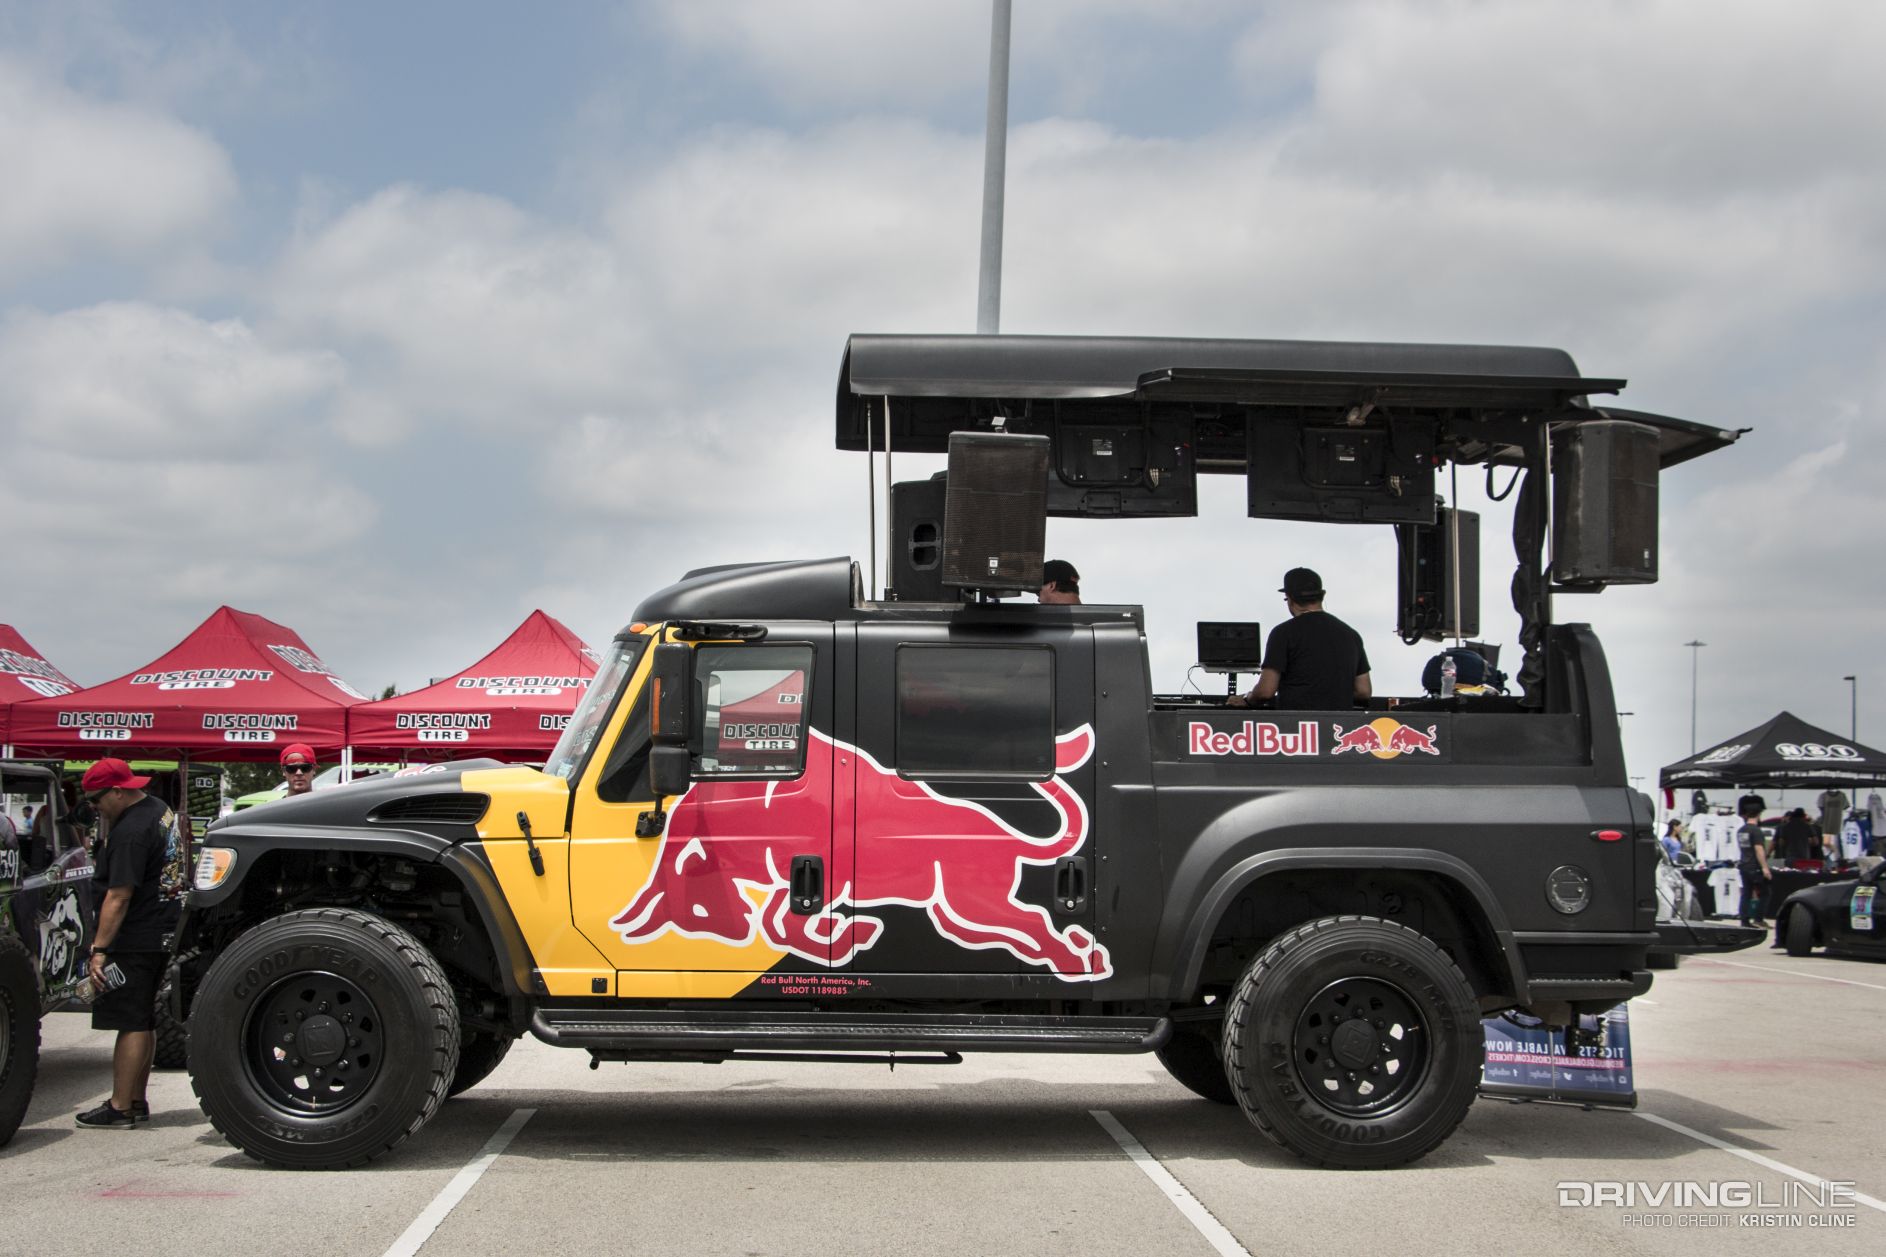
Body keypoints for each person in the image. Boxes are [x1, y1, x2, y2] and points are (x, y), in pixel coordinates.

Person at [76, 758, 183, 1128]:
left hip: (134, 935)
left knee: (130, 1020)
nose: (94, 807)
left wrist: (99, 950)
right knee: (143, 1018)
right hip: (160, 930)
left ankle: (120, 1106)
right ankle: (136, 1099)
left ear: (118, 792)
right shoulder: (159, 809)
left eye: (96, 800)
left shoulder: (130, 832)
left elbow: (118, 895)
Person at [1227, 567, 1371, 711]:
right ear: (1322, 595)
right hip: (1338, 728)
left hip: (1296, 726)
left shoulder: (1283, 633)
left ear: (1290, 599)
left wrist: (1247, 699)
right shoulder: (1351, 635)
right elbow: (1364, 691)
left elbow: (1265, 691)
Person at [1734, 811, 1771, 929]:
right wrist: (1765, 867)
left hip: (1743, 865)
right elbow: (1759, 849)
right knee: (1765, 893)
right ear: (1758, 815)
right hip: (1754, 866)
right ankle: (1758, 919)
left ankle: (1744, 920)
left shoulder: (1741, 830)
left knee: (1746, 894)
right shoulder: (1756, 831)